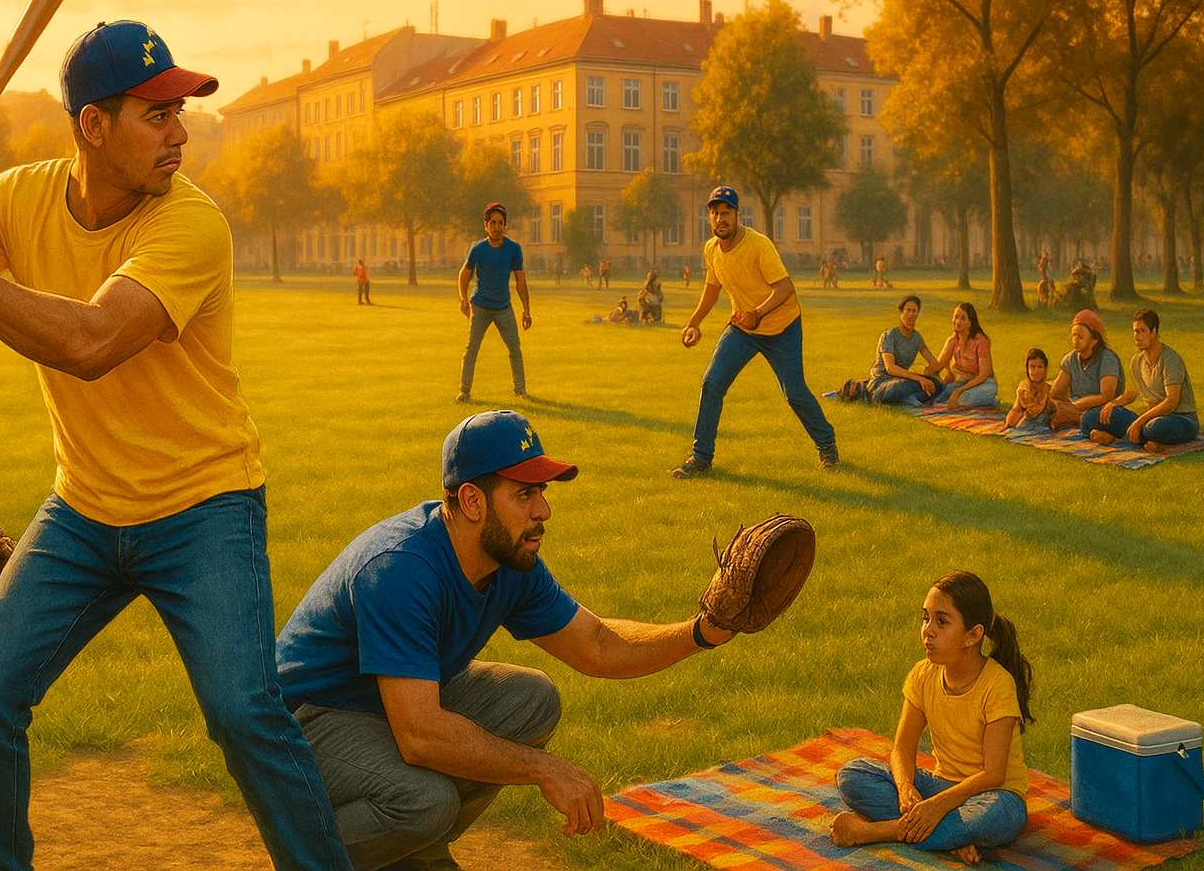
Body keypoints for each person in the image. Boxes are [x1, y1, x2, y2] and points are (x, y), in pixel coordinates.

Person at [0, 20, 354, 871]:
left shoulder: (191, 225)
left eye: (181, 112)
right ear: (93, 126)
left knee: (244, 712)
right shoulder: (20, 198)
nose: (180, 132)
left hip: (204, 505)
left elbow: (90, 344)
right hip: (84, 511)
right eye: (156, 114)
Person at [276, 410, 738, 871]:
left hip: (383, 702)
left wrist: (702, 631)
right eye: (524, 494)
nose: (543, 511)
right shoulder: (400, 570)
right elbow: (419, 735)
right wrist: (544, 769)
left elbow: (596, 644)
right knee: (423, 801)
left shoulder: (509, 562)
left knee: (531, 699)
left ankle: (412, 853)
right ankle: (312, 859)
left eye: (541, 492)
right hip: (305, 722)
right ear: (473, 501)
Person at [830, 571, 1033, 866]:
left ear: (973, 635)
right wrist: (906, 789)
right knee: (853, 774)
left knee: (1000, 816)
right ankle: (950, 837)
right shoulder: (923, 675)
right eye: (926, 617)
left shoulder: (997, 685)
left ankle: (877, 831)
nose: (928, 630)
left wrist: (935, 807)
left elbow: (993, 775)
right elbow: (901, 749)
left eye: (942, 621)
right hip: (940, 787)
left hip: (993, 796)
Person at [673, 186, 838, 476]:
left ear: (738, 214)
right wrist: (694, 322)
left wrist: (758, 313)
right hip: (743, 329)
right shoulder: (711, 249)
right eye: (714, 213)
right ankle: (701, 459)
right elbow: (713, 288)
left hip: (781, 327)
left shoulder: (759, 245)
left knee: (795, 393)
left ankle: (827, 446)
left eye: (726, 212)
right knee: (712, 383)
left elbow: (786, 287)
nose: (719, 219)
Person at [1084, 309, 1199, 453]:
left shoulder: (1171, 360)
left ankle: (1116, 440)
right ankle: (1147, 442)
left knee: (1154, 428)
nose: (1137, 337)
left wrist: (1140, 421)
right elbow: (1133, 392)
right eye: (1135, 331)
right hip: (1148, 416)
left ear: (1154, 332)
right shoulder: (1136, 361)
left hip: (1180, 419)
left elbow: (1172, 401)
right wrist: (1113, 404)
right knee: (1090, 418)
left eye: (1142, 331)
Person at [456, 202, 530, 404]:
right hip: (480, 305)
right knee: (471, 349)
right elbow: (465, 274)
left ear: (505, 225)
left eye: (501, 223)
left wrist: (526, 310)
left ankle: (521, 391)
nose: (497, 227)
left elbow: (520, 280)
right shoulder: (478, 249)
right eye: (493, 223)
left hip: (503, 307)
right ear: (486, 225)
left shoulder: (513, 249)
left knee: (515, 348)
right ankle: (464, 392)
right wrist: (463, 298)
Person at [848, 294, 941, 405]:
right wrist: (919, 378)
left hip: (904, 380)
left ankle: (910, 399)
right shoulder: (889, 336)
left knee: (936, 384)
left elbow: (933, 363)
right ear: (901, 312)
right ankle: (914, 398)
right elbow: (890, 368)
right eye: (908, 310)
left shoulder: (917, 339)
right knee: (899, 387)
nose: (911, 315)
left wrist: (929, 374)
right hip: (882, 383)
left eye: (914, 311)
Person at [1049, 310, 1123, 432]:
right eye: (1074, 336)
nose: (1075, 340)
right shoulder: (1070, 359)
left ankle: (1077, 419)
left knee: (1090, 418)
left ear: (1094, 339)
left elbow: (1107, 396)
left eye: (1080, 337)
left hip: (1105, 410)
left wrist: (1074, 407)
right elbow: (1056, 392)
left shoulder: (1108, 359)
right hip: (1075, 407)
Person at [929, 302, 997, 408]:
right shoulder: (952, 341)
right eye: (956, 317)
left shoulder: (981, 341)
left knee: (964, 399)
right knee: (938, 397)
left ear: (970, 322)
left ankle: (986, 399)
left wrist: (959, 391)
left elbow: (984, 374)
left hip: (982, 384)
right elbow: (939, 365)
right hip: (959, 383)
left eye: (963, 318)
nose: (957, 321)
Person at [1004, 349, 1056, 429]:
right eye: (1032, 367)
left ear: (1045, 369)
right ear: (1027, 369)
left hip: (1045, 419)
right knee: (1022, 425)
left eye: (1040, 367)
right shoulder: (1023, 390)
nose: (1036, 371)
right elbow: (1017, 408)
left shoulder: (1050, 391)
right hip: (1028, 418)